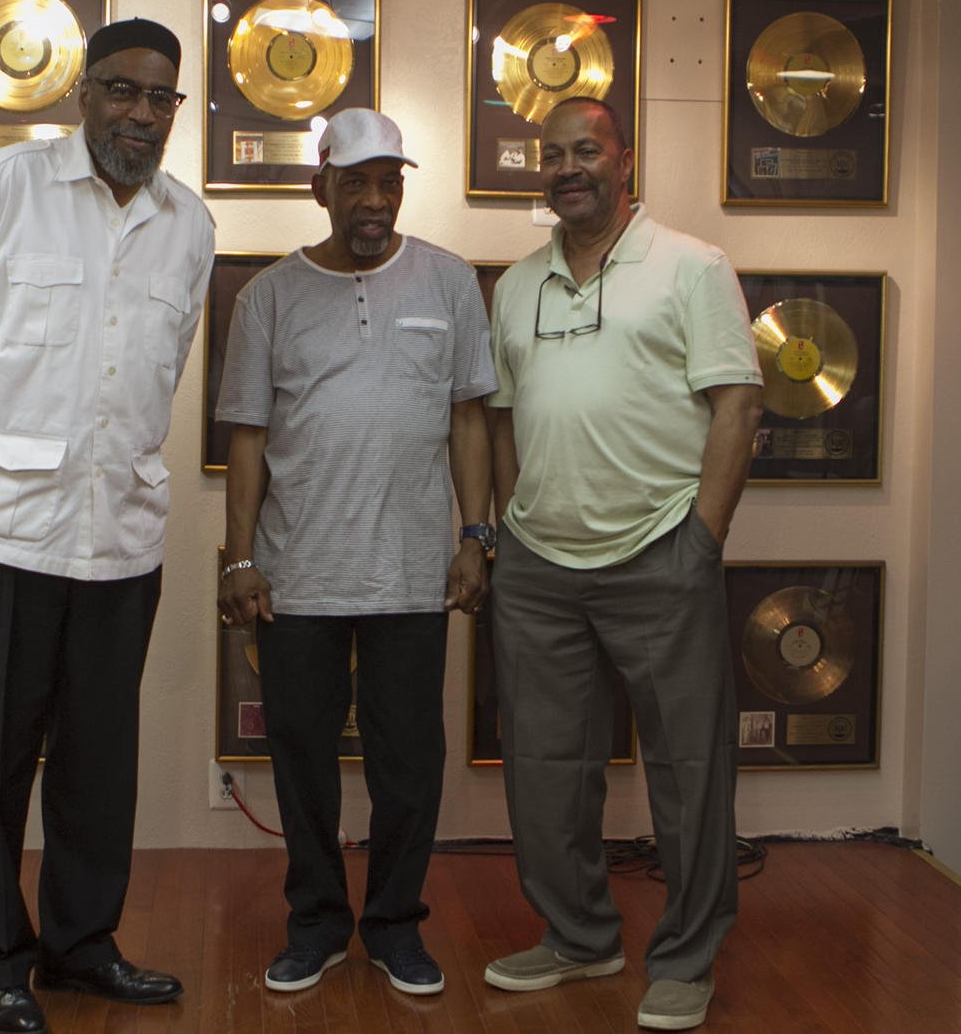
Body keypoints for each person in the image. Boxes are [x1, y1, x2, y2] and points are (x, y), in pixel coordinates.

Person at [0, 18, 214, 1034]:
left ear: (176, 110)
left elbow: (159, 369)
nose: (140, 113)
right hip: (4, 537)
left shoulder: (189, 225)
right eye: (122, 90)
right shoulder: (4, 191)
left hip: (122, 536)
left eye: (160, 98)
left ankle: (82, 948)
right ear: (83, 94)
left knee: (96, 762)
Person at [483, 97, 763, 1031]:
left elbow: (737, 409)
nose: (569, 168)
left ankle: (685, 958)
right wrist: (512, 528)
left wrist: (702, 541)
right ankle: (579, 938)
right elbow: (504, 418)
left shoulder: (692, 267)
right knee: (544, 767)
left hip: (660, 554)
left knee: (688, 770)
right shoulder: (517, 284)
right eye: (553, 155)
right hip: (538, 568)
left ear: (623, 159)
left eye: (586, 151)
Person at [216, 108, 497, 997]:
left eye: (390, 183)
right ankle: (317, 925)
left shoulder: (449, 282)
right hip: (298, 574)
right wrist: (238, 559)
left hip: (414, 573)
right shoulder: (268, 297)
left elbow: (467, 418)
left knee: (408, 760)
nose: (375, 202)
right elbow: (250, 440)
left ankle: (394, 927)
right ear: (321, 189)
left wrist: (475, 535)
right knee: (301, 758)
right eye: (356, 183)